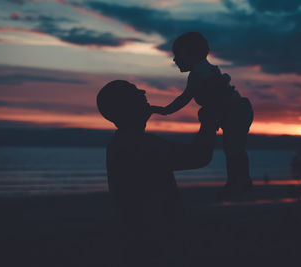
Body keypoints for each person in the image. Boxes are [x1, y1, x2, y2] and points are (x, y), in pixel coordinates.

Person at [96, 80, 217, 267]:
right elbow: (198, 157)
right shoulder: (139, 145)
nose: (143, 92)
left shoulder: (120, 145)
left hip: (141, 242)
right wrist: (210, 122)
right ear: (126, 106)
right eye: (136, 92)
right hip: (156, 245)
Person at [151, 32, 254, 199]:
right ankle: (240, 181)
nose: (175, 60)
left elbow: (185, 98)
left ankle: (239, 183)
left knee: (234, 149)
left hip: (236, 111)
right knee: (234, 149)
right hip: (238, 111)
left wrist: (164, 110)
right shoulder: (203, 70)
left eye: (178, 55)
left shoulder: (199, 74)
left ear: (190, 55)